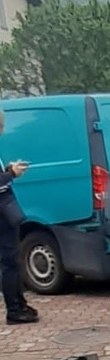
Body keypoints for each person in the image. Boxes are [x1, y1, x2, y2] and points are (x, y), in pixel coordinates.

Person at [0, 109, 39, 324]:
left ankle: (20, 303)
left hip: (6, 211)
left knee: (13, 260)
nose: (3, 130)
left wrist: (7, 170)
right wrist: (11, 174)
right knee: (9, 263)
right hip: (2, 213)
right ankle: (13, 310)